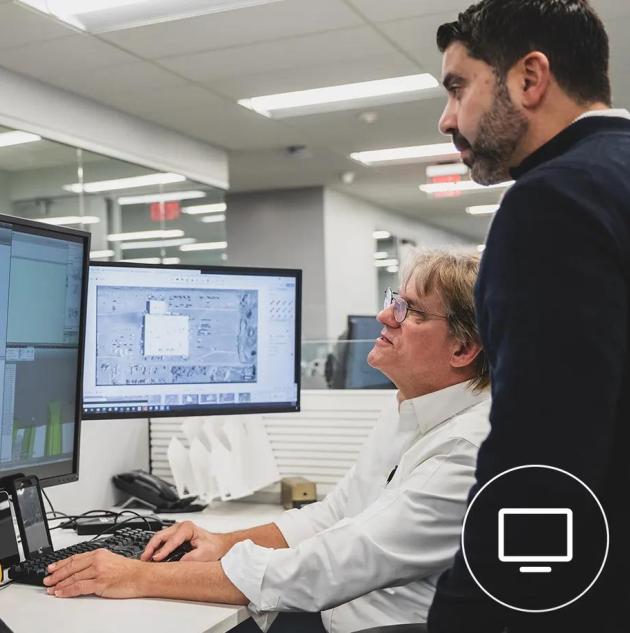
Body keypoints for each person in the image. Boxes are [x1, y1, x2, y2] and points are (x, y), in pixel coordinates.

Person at [43, 252, 491, 633]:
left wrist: (138, 577)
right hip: (338, 614)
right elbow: (336, 515)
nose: (384, 316)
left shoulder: (468, 448)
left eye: (411, 311)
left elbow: (331, 566)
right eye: (395, 300)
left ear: (462, 349)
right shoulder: (412, 408)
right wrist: (223, 543)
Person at [427, 1, 630, 632]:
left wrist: (461, 615)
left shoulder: (553, 201)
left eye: (459, 87)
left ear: (529, 78)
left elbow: (542, 455)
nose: (446, 120)